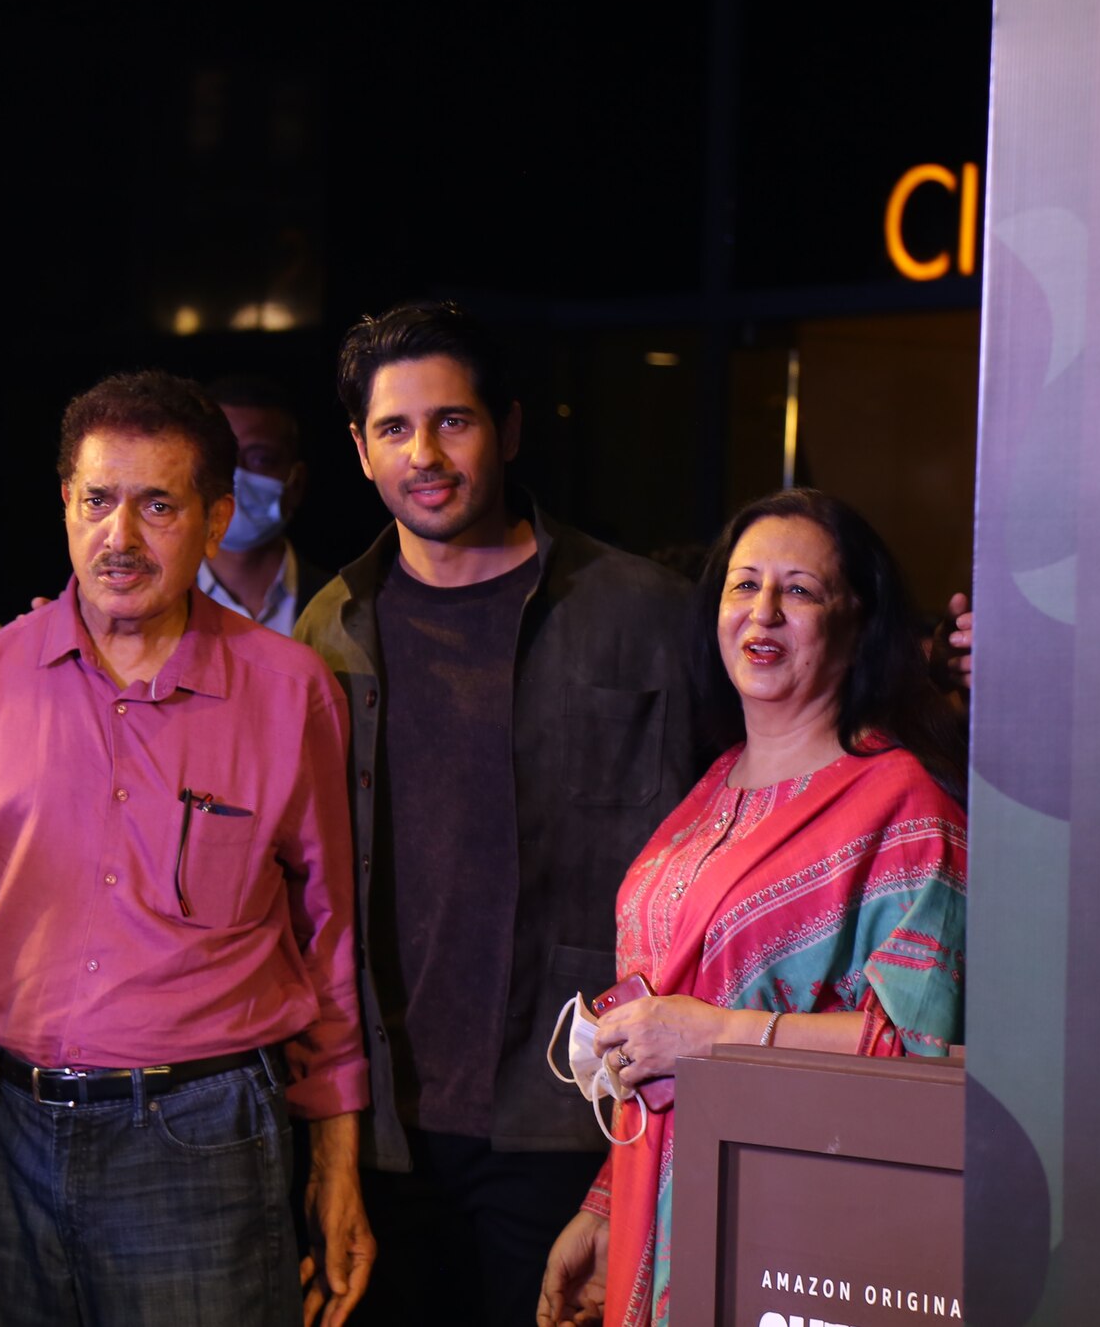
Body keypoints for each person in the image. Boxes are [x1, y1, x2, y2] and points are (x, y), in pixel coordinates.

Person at [0, 370, 373, 1326]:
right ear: (64, 501)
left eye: (157, 505)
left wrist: (337, 1164)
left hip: (203, 1142)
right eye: (97, 500)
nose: (119, 538)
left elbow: (331, 944)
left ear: (216, 521)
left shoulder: (290, 693)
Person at [293, 302, 706, 1327]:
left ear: (508, 429)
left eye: (452, 422)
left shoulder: (646, 616)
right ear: (357, 449)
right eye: (393, 429)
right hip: (386, 1132)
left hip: (576, 1118)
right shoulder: (326, 633)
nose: (423, 455)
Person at [536, 489, 968, 1327]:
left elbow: (919, 1054)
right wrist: (602, 1205)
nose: (763, 611)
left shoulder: (905, 803)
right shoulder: (709, 789)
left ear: (858, 620)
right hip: (657, 1194)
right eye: (743, 585)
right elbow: (652, 1031)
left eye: (800, 590)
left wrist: (714, 1037)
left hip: (805, 1232)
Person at [197, 374, 334, 635]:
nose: (235, 476)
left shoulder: (344, 605)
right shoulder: (158, 603)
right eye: (220, 459)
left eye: (261, 459)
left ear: (297, 482)